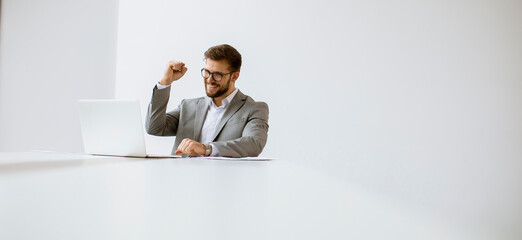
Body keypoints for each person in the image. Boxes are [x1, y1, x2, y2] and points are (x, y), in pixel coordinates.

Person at [145, 44, 269, 157]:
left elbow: (254, 143)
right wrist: (165, 82)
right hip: (181, 178)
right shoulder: (188, 106)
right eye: (207, 72)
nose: (209, 79)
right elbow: (154, 127)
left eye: (217, 75)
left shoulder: (254, 109)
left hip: (223, 180)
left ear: (234, 76)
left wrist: (206, 149)